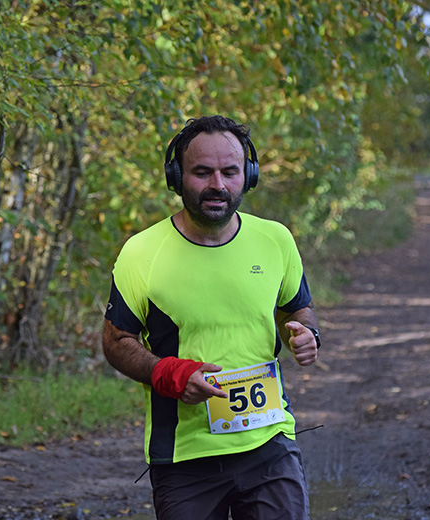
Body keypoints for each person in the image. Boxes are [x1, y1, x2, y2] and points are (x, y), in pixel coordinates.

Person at [102, 115, 320, 520]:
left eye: (230, 172)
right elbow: (116, 341)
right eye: (202, 172)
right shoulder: (141, 252)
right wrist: (168, 373)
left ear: (248, 175)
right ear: (176, 176)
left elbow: (298, 308)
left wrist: (306, 333)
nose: (217, 185)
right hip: (184, 457)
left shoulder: (275, 240)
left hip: (270, 441)